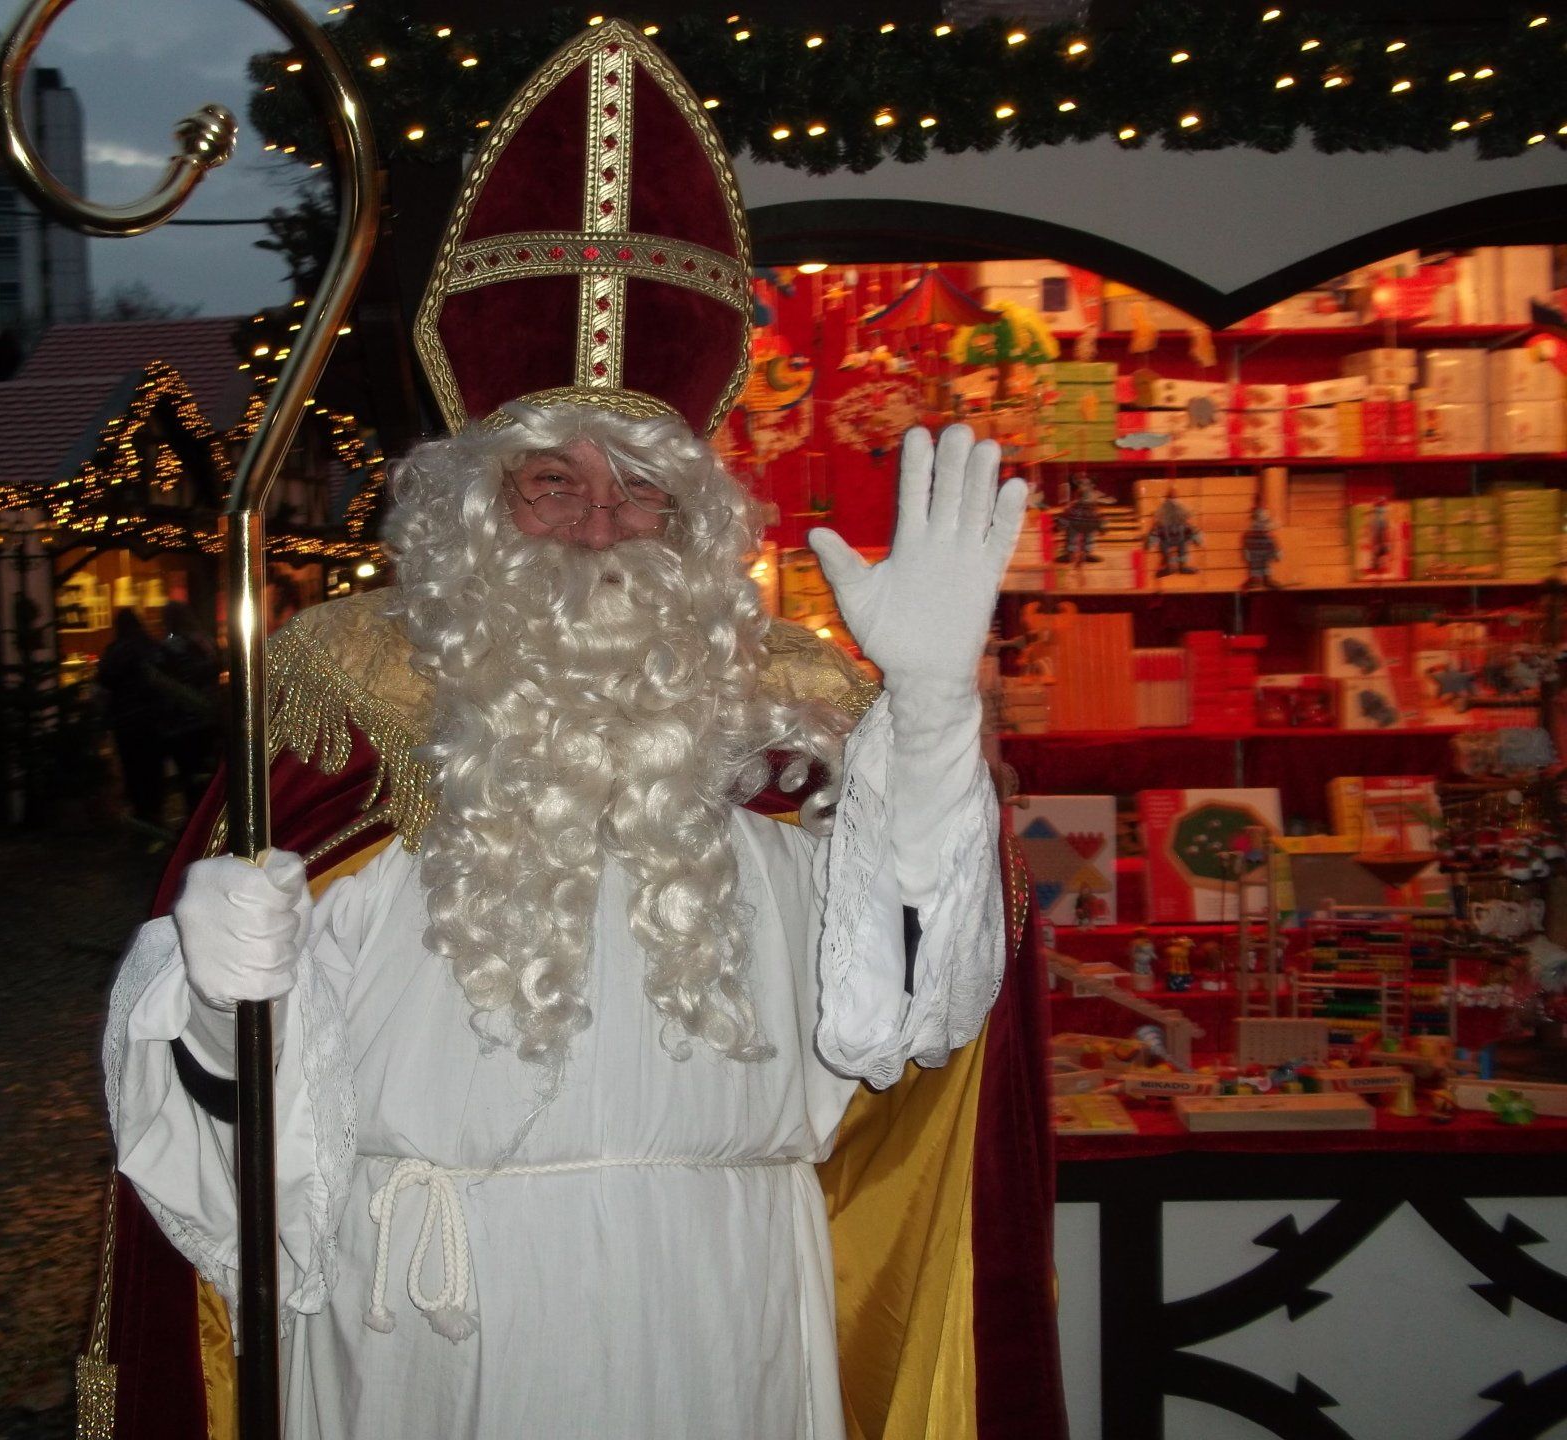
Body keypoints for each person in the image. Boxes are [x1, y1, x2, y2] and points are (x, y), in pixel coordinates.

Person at [90, 22, 1062, 1440]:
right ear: (476, 504)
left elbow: (915, 1018)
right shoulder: (340, 692)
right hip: (424, 1319)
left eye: (643, 491)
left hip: (725, 1306)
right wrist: (208, 986)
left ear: (699, 516)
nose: (601, 525)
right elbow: (226, 1130)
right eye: (552, 482)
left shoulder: (807, 715)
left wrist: (926, 715)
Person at [95, 608, 167, 832]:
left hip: (125, 720)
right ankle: (154, 809)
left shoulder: (115, 651)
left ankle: (141, 811)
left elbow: (103, 683)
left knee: (132, 766)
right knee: (152, 766)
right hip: (151, 718)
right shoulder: (151, 646)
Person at [153, 600, 221, 814]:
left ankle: (196, 823)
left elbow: (162, 686)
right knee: (207, 777)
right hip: (208, 720)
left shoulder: (169, 648)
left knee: (189, 780)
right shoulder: (206, 642)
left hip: (181, 723)